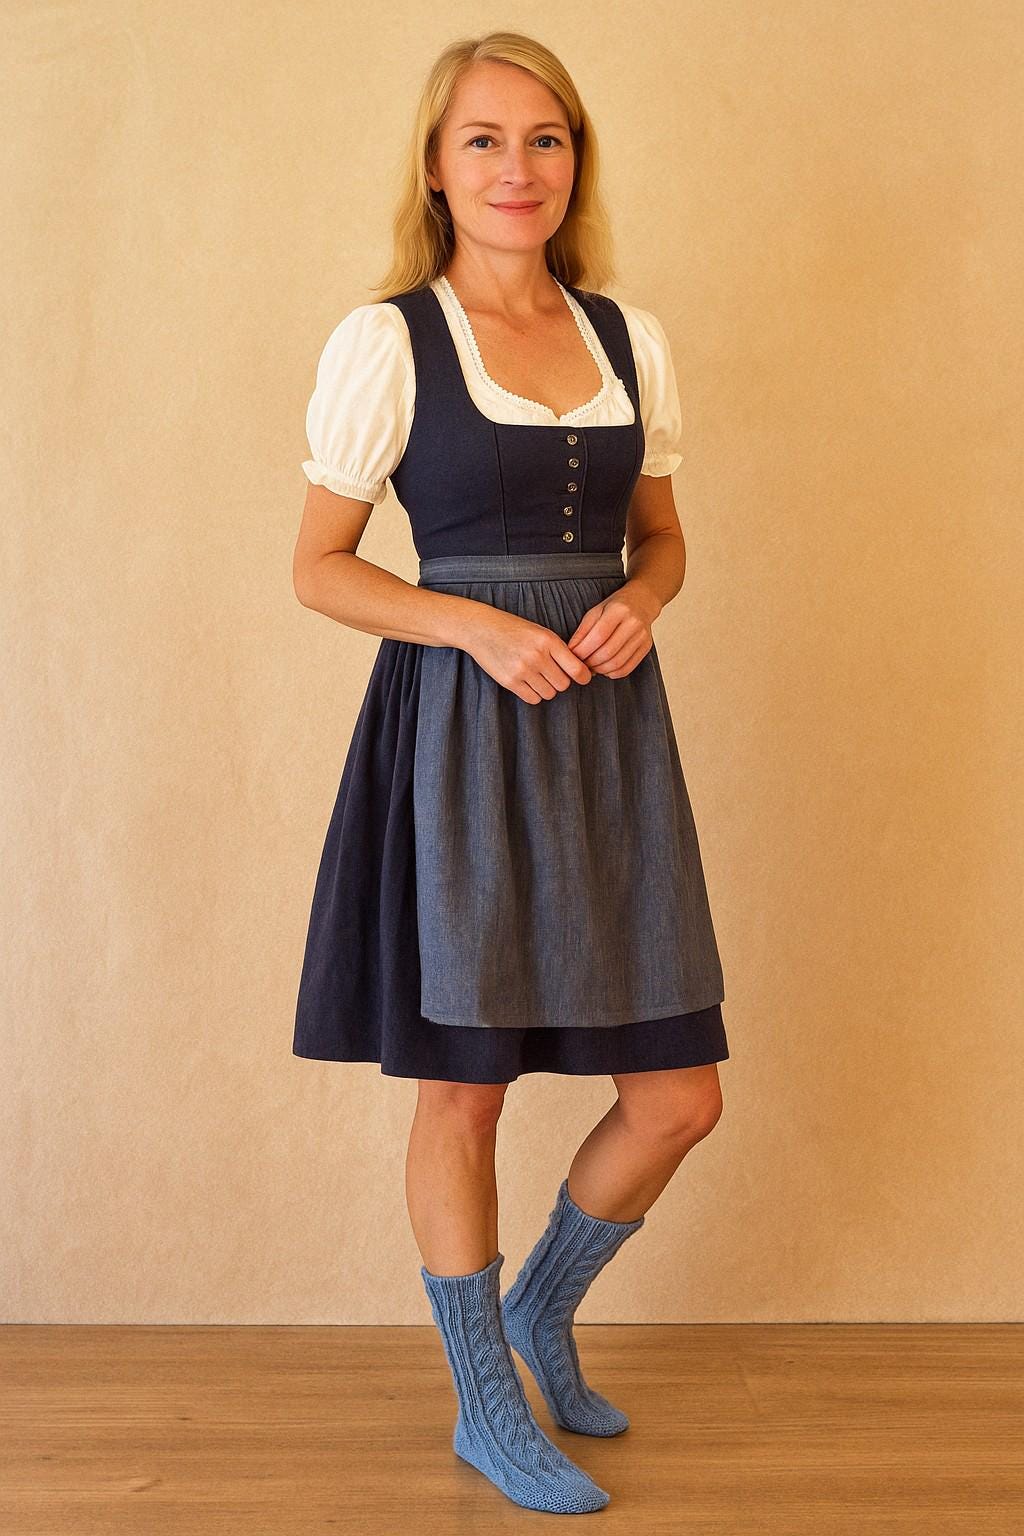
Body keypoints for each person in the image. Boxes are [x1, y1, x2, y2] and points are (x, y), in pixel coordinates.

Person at [291, 29, 729, 1515]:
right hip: (462, 739)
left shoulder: (627, 338)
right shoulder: (388, 341)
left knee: (678, 1095)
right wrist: (472, 624)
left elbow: (663, 537)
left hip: (608, 733)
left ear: (573, 161)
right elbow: (320, 567)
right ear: (436, 165)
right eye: (482, 139)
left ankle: (543, 1304)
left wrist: (644, 598)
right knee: (463, 1094)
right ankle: (487, 1401)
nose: (516, 167)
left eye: (545, 138)